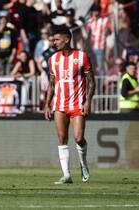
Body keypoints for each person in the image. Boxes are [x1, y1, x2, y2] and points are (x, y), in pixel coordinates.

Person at [44, 28, 96, 184]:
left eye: (57, 40)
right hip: (59, 104)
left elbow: (91, 81)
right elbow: (52, 84)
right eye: (53, 40)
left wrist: (88, 101)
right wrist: (47, 104)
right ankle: (66, 175)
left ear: (67, 40)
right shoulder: (53, 59)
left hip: (78, 104)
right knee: (62, 138)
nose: (54, 43)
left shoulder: (81, 57)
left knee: (78, 138)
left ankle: (83, 164)